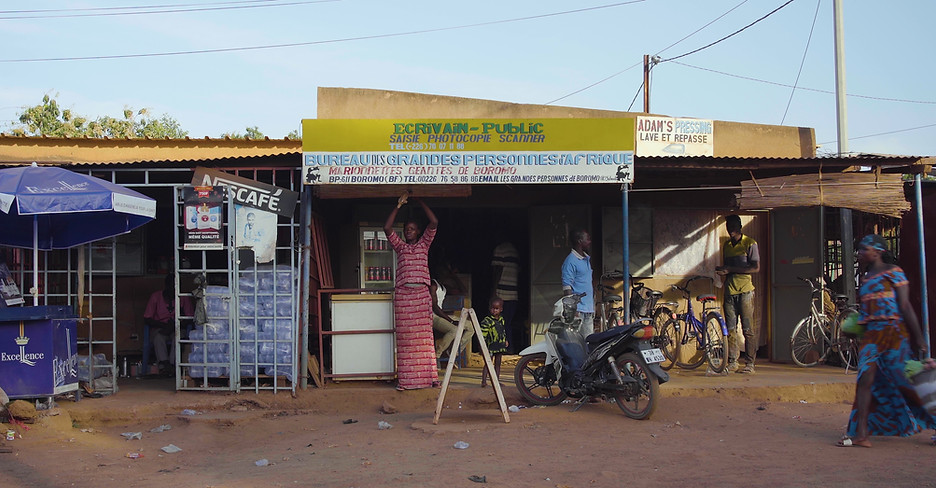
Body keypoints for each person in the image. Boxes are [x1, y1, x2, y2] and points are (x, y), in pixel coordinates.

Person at [836, 234, 936, 448]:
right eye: (860, 249)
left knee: (906, 382)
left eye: (865, 249)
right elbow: (867, 311)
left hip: (894, 334)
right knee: (864, 380)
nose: (860, 253)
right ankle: (861, 434)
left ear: (878, 251)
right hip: (871, 336)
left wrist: (919, 339)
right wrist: (853, 329)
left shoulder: (894, 272)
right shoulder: (866, 277)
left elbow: (905, 306)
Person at [385, 192, 439, 391]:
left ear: (418, 232)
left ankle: (430, 378)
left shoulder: (425, 244)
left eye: (413, 229)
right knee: (406, 341)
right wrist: (399, 205)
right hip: (403, 298)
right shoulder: (399, 247)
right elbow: (387, 227)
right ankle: (407, 381)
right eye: (407, 229)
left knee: (424, 340)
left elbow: (433, 221)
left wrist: (421, 201)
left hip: (421, 296)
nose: (409, 231)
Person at [715, 214, 760, 375]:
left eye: (733, 226)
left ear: (740, 226)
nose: (730, 230)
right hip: (729, 291)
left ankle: (750, 363)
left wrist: (731, 270)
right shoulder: (726, 245)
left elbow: (755, 268)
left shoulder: (750, 243)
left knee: (748, 329)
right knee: (731, 329)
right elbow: (729, 267)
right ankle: (733, 362)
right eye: (728, 226)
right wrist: (723, 271)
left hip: (745, 291)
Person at [143, 273, 194, 375]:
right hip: (160, 327)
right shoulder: (156, 297)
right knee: (158, 338)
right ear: (166, 286)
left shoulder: (183, 297)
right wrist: (164, 326)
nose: (173, 289)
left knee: (177, 338)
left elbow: (190, 318)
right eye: (171, 286)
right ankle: (164, 365)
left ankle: (173, 365)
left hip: (178, 327)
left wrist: (176, 325)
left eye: (175, 286)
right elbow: (147, 318)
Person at [561, 229, 595, 337]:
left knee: (588, 341)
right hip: (578, 311)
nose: (589, 241)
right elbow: (567, 287)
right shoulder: (570, 261)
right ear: (580, 241)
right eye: (587, 239)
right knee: (579, 341)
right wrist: (572, 309)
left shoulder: (586, 259)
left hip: (588, 308)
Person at [431, 277, 473, 362]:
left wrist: (454, 276)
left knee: (470, 327)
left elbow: (464, 291)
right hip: (433, 316)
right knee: (454, 330)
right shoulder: (433, 285)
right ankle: (437, 355)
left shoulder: (444, 287)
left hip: (443, 315)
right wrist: (450, 320)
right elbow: (435, 307)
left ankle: (455, 351)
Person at [491, 237, 521, 352]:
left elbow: (497, 270)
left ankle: (501, 348)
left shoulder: (500, 249)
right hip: (513, 293)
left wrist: (493, 291)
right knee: (507, 323)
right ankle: (510, 348)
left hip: (502, 293)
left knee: (499, 323)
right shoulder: (514, 250)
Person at [480, 297, 508, 388]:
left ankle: (496, 381)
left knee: (498, 364)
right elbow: (482, 335)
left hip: (499, 345)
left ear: (501, 309)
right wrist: (483, 347)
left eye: (496, 309)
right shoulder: (487, 321)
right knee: (488, 363)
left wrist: (505, 340)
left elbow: (502, 330)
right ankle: (484, 381)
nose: (494, 311)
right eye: (492, 308)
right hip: (490, 346)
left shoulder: (501, 319)